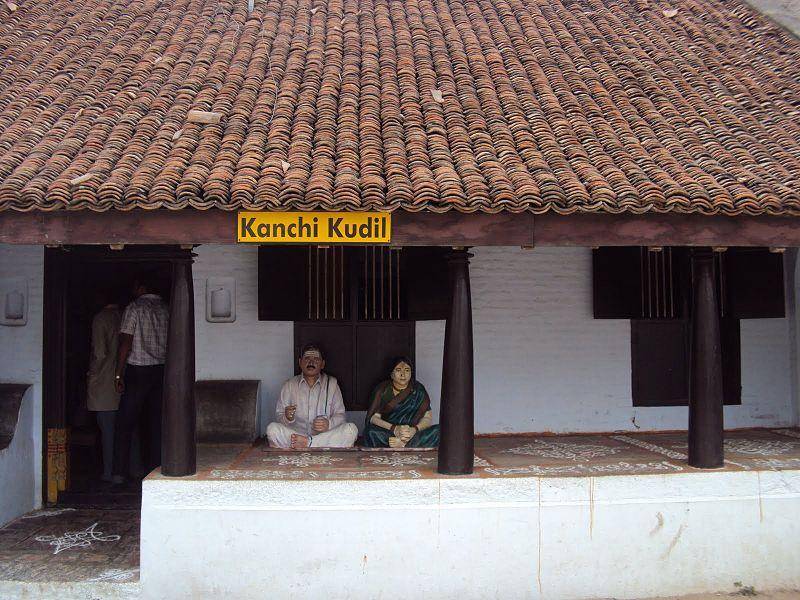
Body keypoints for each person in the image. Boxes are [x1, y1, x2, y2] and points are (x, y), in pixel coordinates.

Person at [112, 271, 169, 483]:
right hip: (161, 370)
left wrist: (118, 373)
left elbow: (126, 342)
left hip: (138, 370)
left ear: (141, 287)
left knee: (125, 422)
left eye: (135, 287)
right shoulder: (166, 309)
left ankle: (119, 473)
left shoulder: (134, 308)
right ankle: (155, 470)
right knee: (156, 422)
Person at [267, 344, 357, 449]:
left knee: (351, 429)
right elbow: (279, 415)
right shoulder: (289, 385)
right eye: (307, 358)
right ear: (300, 362)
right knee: (272, 429)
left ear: (322, 364)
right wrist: (287, 417)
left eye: (316, 359)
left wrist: (329, 424)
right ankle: (312, 444)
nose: (311, 362)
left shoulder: (332, 384)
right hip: (296, 435)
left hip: (323, 436)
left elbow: (340, 415)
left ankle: (309, 443)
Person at [363, 357, 439, 448]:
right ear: (392, 374)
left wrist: (414, 430)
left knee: (439, 430)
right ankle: (409, 445)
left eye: (407, 370)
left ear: (411, 373)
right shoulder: (383, 390)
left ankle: (403, 444)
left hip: (412, 433)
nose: (403, 374)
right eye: (398, 370)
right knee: (370, 432)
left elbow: (427, 417)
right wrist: (394, 429)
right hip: (389, 432)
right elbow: (374, 418)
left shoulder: (418, 389)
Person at [86, 289, 122, 482]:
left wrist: (91, 374)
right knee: (128, 429)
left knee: (107, 430)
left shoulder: (101, 319)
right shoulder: (123, 315)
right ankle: (133, 470)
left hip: (105, 381)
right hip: (123, 378)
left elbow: (100, 354)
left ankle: (110, 473)